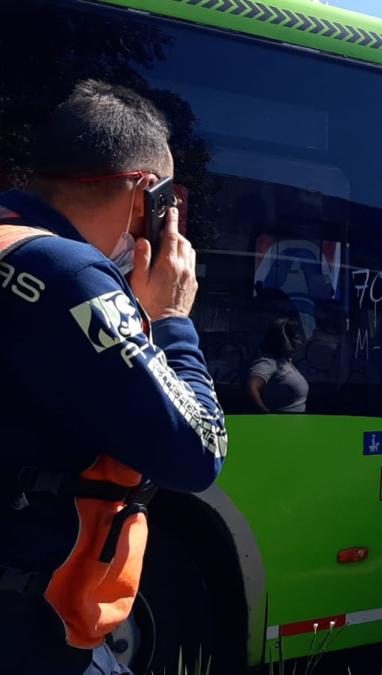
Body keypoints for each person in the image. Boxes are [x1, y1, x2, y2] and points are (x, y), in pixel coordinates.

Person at [0, 80, 228, 674]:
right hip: (30, 626)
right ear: (142, 194)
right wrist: (173, 319)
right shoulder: (69, 270)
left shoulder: (11, 245)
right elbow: (197, 451)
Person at [246, 317, 309, 413]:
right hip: (281, 424)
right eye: (296, 338)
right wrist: (266, 414)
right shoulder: (268, 362)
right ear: (284, 339)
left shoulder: (285, 361)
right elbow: (251, 387)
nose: (300, 342)